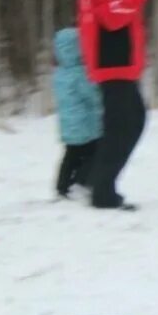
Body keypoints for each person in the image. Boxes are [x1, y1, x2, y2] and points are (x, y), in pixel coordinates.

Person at [77, 0, 157, 210]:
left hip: (117, 64)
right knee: (125, 126)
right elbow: (113, 18)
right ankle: (102, 190)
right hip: (113, 64)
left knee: (129, 123)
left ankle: (94, 180)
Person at [52, 26, 102, 199]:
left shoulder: (59, 73)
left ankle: (62, 187)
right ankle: (80, 183)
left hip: (68, 125)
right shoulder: (80, 73)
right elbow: (91, 96)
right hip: (85, 124)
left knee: (70, 156)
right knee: (93, 154)